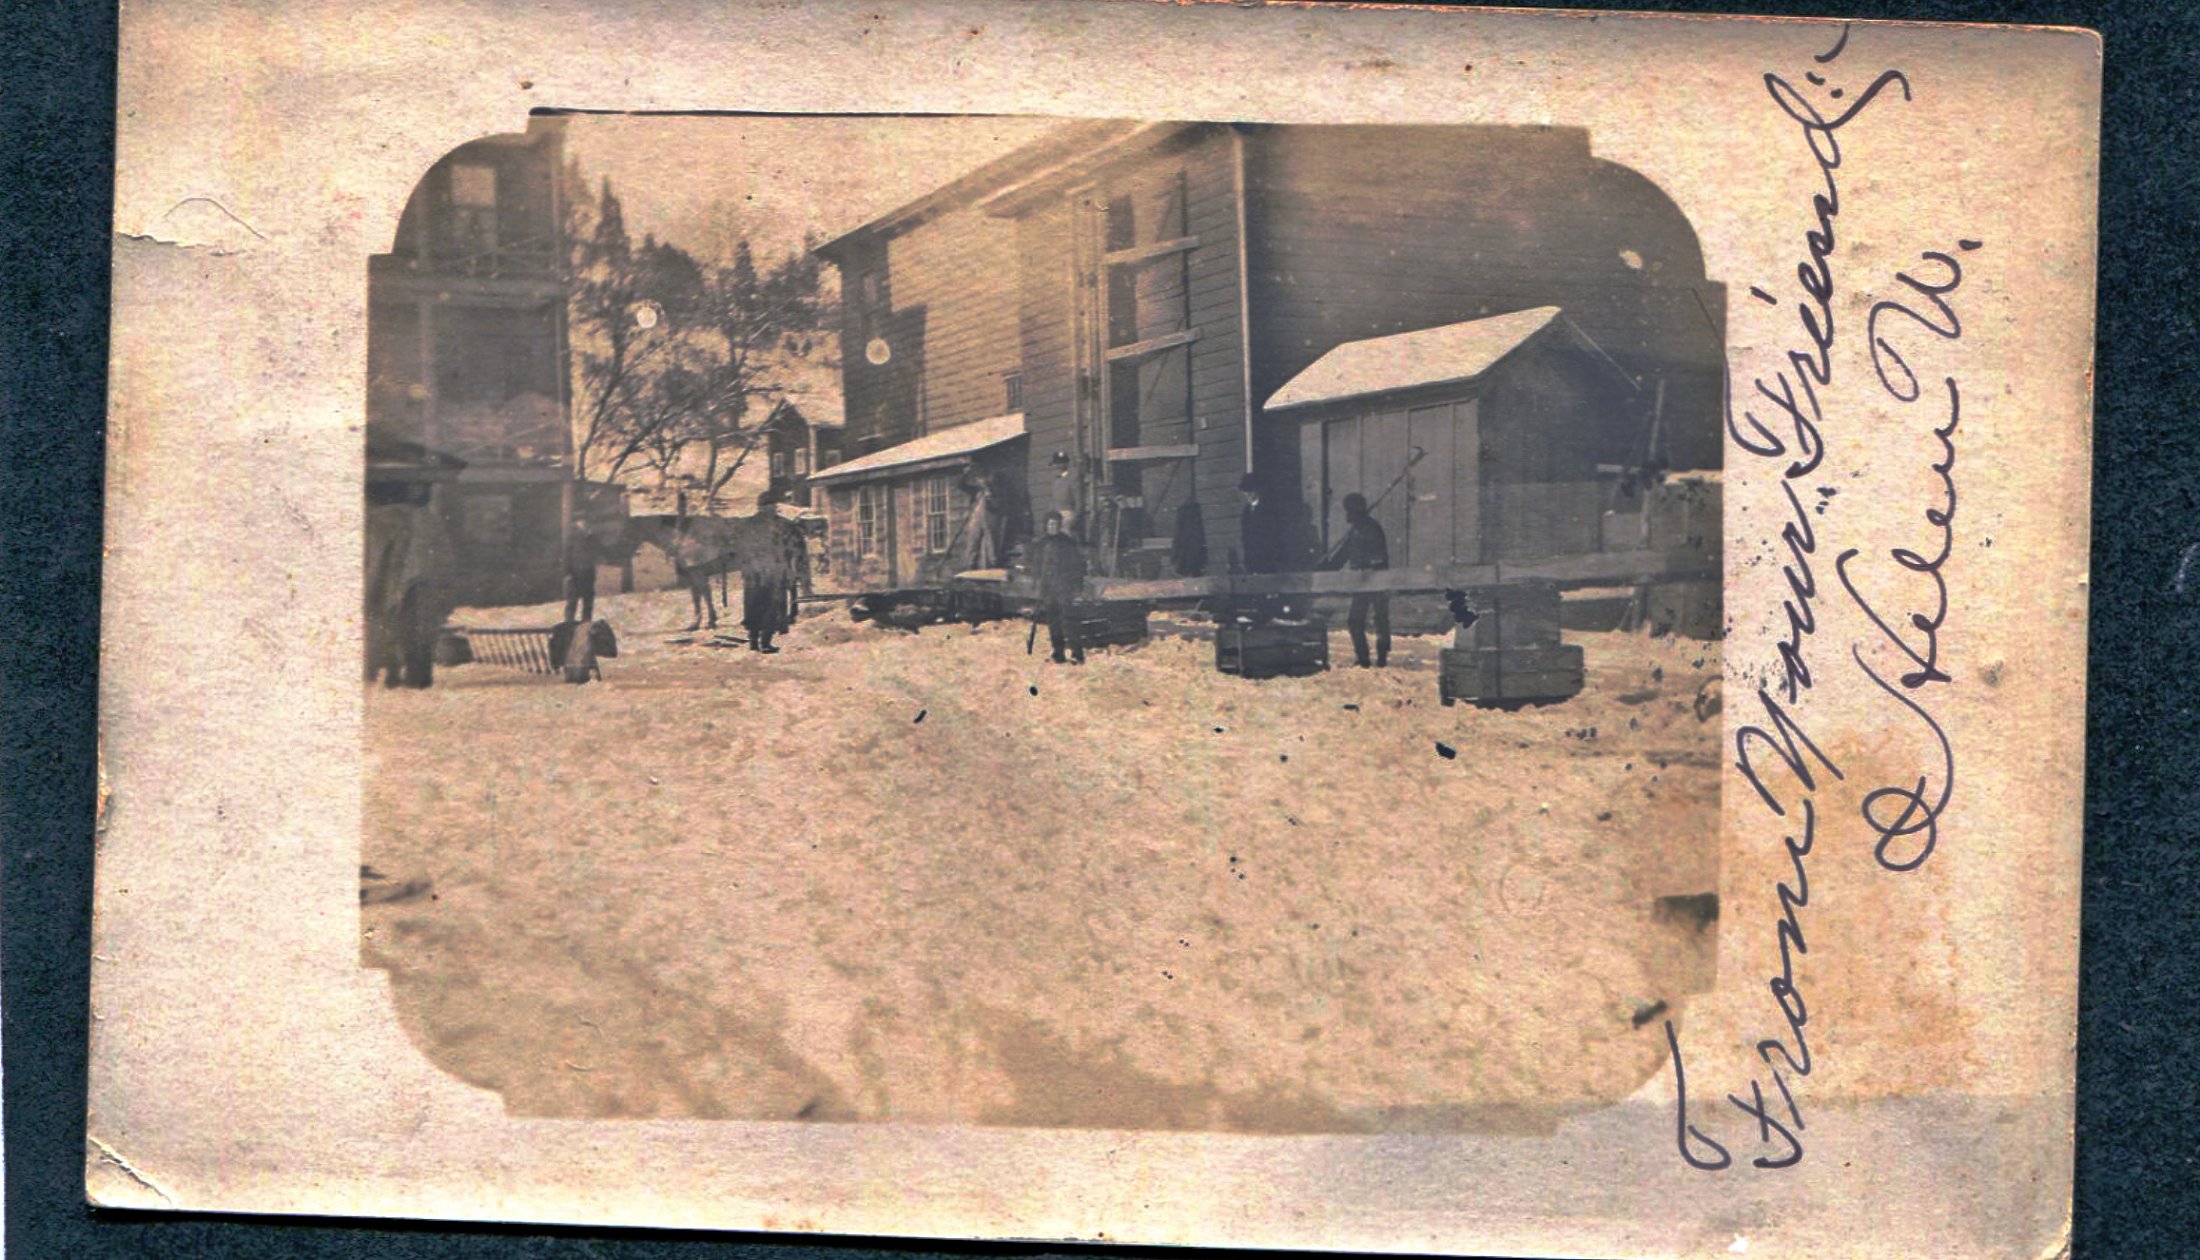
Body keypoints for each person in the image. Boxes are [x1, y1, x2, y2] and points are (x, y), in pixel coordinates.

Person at [363, 483, 456, 688]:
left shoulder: (380, 520)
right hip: (423, 581)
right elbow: (444, 557)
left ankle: (389, 672)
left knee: (392, 626)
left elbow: (379, 559)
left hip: (401, 582)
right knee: (419, 630)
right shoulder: (428, 520)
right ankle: (414, 675)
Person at [1322, 491, 1391, 667]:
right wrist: (1325, 568)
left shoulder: (1370, 528)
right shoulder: (1356, 531)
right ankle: (1363, 657)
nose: (1347, 514)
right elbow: (1342, 555)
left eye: (1349, 511)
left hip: (1376, 580)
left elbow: (1379, 556)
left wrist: (1364, 565)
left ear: (1356, 511)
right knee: (1356, 620)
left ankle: (1381, 656)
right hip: (1361, 582)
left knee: (1380, 619)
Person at [741, 490, 798, 654]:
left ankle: (754, 641)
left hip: (755, 572)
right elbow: (789, 548)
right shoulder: (782, 524)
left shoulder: (749, 524)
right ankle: (764, 642)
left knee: (754, 605)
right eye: (771, 505)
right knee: (771, 606)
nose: (773, 508)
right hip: (772, 572)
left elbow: (741, 548)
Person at [1031, 510, 1087, 664]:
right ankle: (1058, 652)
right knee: (1053, 621)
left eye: (1056, 524)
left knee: (1068, 620)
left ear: (1060, 525)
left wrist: (1077, 585)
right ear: (1046, 525)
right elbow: (1037, 564)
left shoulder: (1067, 543)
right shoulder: (1041, 543)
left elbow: (1077, 565)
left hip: (1064, 586)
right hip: (1048, 588)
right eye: (1050, 524)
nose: (1053, 527)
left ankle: (1077, 653)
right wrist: (1036, 581)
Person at [562, 513, 602, 624]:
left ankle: (586, 624)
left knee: (588, 600)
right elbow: (566, 555)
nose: (585, 523)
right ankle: (569, 624)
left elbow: (598, 549)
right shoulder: (571, 534)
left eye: (586, 521)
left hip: (588, 572)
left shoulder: (591, 535)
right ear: (577, 522)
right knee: (572, 601)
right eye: (582, 521)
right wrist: (568, 572)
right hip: (575, 573)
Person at [1045, 450, 1082, 540]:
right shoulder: (1055, 480)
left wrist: (1073, 519)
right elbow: (1052, 500)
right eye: (1056, 464)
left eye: (1061, 463)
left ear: (1066, 464)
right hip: (1055, 516)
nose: (1058, 466)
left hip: (1067, 516)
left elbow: (1079, 502)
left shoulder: (1072, 479)